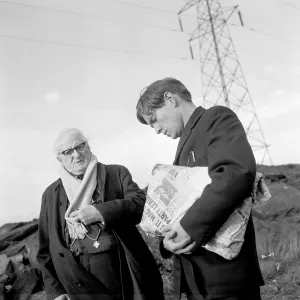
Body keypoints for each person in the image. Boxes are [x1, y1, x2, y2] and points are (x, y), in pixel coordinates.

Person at [136, 78, 264, 300]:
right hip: (197, 280)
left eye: (154, 120)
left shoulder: (215, 117)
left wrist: (187, 226)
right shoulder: (184, 144)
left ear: (170, 99)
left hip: (226, 278)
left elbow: (235, 172)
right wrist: (168, 239)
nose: (156, 130)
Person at [36, 128, 164, 300]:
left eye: (80, 146)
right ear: (60, 159)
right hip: (79, 285)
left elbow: (141, 204)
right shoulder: (51, 194)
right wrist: (56, 291)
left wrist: (99, 212)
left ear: (88, 147)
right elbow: (44, 250)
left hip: (125, 275)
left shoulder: (116, 173)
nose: (76, 154)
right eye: (67, 152)